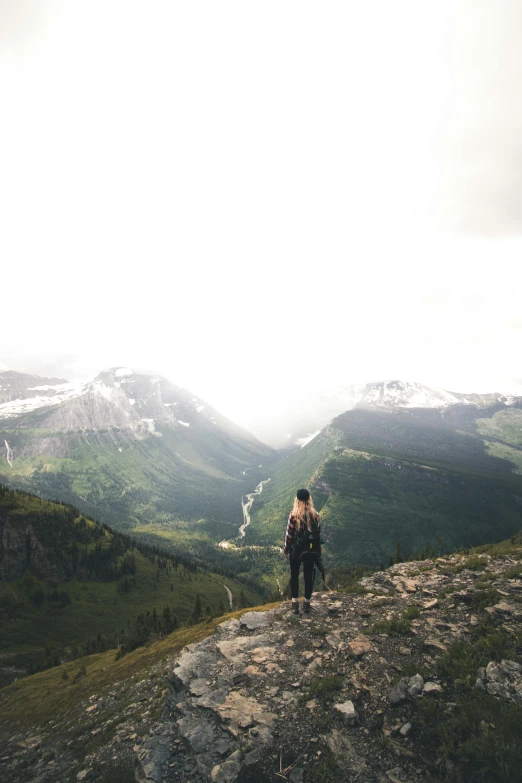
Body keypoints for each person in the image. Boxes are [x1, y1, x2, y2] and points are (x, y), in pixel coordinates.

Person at [283, 488, 324, 614]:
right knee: (308, 576)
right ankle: (306, 603)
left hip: (297, 550)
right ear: (309, 500)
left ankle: (295, 603)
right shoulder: (315, 515)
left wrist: (286, 550)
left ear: (297, 501)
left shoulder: (294, 515)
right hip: (310, 550)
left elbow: (289, 535)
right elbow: (318, 535)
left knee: (294, 575)